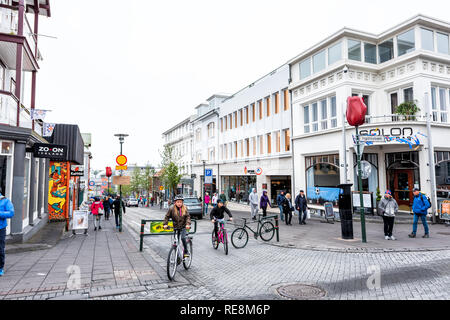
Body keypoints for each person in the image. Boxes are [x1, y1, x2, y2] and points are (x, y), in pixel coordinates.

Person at [0, 191, 14, 277]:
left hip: (0, 228)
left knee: (0, 248)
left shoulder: (5, 201)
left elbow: (11, 213)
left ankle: (0, 268)